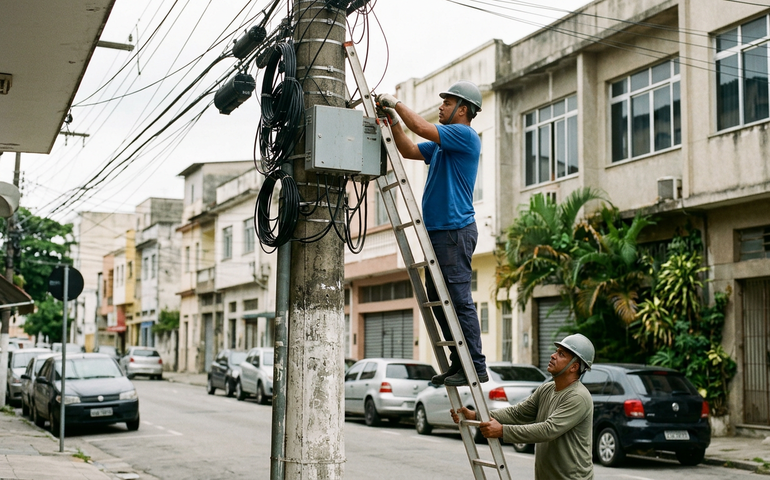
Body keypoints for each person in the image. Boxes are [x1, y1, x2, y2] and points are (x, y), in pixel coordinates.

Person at [376, 82, 486, 387]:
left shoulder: (464, 135)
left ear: (462, 110)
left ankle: (474, 365)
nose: (441, 107)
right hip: (438, 233)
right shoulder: (442, 144)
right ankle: (459, 361)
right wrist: (393, 121)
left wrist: (395, 103)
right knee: (439, 299)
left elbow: (421, 128)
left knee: (459, 300)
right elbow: (409, 149)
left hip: (454, 231)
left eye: (447, 103)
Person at [451, 334, 595, 480]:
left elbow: (548, 430)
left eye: (561, 354)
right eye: (556, 351)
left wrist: (502, 431)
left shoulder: (578, 397)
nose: (553, 355)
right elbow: (517, 413)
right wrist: (475, 415)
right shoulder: (547, 389)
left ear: (574, 367)